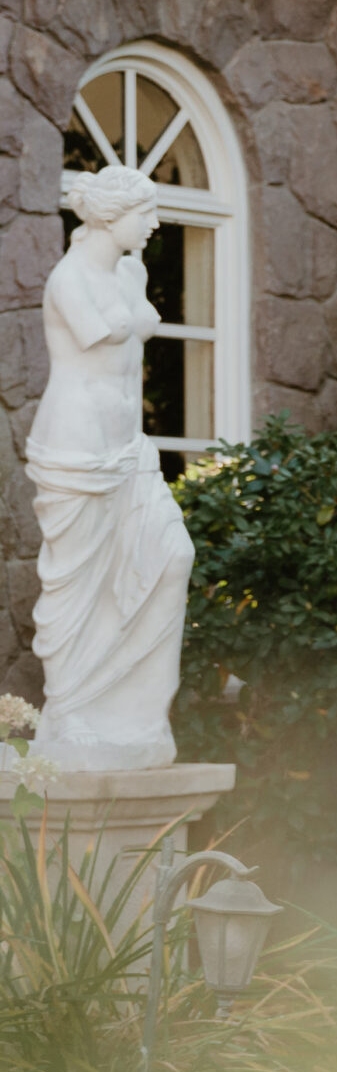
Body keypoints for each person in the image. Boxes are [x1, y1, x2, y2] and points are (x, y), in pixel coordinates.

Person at [26, 167, 195, 772]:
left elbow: (135, 322)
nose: (154, 223)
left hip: (129, 446)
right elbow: (106, 333)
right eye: (144, 212)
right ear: (109, 215)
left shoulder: (130, 270)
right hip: (76, 449)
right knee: (79, 589)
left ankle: (140, 720)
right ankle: (73, 716)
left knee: (172, 556)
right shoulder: (69, 279)